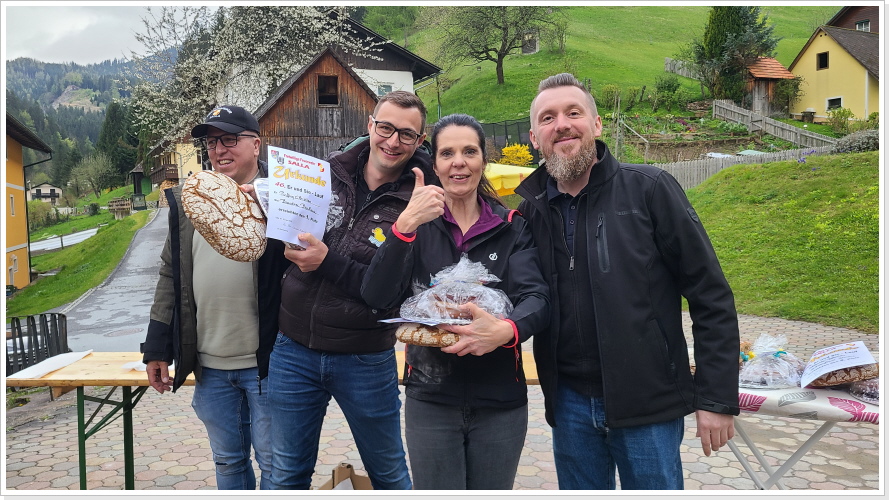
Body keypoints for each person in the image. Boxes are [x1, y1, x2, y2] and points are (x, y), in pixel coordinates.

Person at [514, 73, 740, 490]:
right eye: (547, 118)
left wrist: (716, 398)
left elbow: (710, 295)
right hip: (569, 406)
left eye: (573, 113)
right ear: (534, 138)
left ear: (597, 124)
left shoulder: (650, 190)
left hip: (648, 405)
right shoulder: (532, 211)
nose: (561, 125)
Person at [361, 114, 550, 490]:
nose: (458, 162)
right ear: (435, 164)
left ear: (483, 160)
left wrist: (505, 331)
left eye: (469, 152)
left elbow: (537, 297)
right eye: (447, 153)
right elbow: (376, 296)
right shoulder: (417, 225)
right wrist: (404, 227)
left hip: (500, 400)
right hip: (431, 398)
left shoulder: (512, 226)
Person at [267, 90, 433, 490]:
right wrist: (261, 203)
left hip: (365, 358)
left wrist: (326, 262)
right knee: (286, 475)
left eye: (406, 134)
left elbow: (391, 295)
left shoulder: (420, 202)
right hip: (293, 350)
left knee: (389, 474)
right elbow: (284, 232)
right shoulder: (324, 174)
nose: (393, 141)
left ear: (420, 141)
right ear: (370, 125)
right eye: (386, 128)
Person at [141, 105, 287, 490]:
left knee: (277, 464)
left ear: (256, 145)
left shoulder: (283, 199)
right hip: (210, 365)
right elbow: (170, 273)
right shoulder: (190, 203)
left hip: (270, 363)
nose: (219, 150)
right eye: (211, 143)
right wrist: (157, 348)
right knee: (228, 460)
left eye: (230, 139)